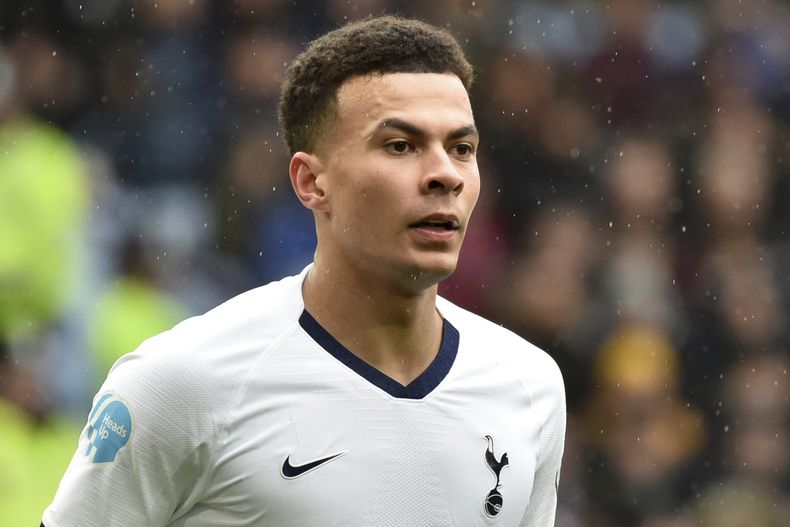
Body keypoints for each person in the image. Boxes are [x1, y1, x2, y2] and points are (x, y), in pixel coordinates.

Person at [42, 15, 566, 526]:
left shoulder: (529, 386)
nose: (445, 175)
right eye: (401, 145)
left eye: (462, 148)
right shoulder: (183, 383)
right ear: (311, 182)